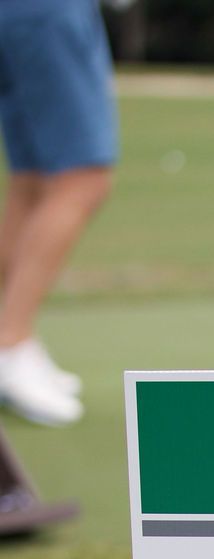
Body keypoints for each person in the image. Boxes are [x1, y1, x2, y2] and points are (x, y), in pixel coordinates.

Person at [0, 0, 117, 426]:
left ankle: (13, 336)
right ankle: (9, 343)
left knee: (33, 179)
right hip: (46, 11)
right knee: (83, 178)